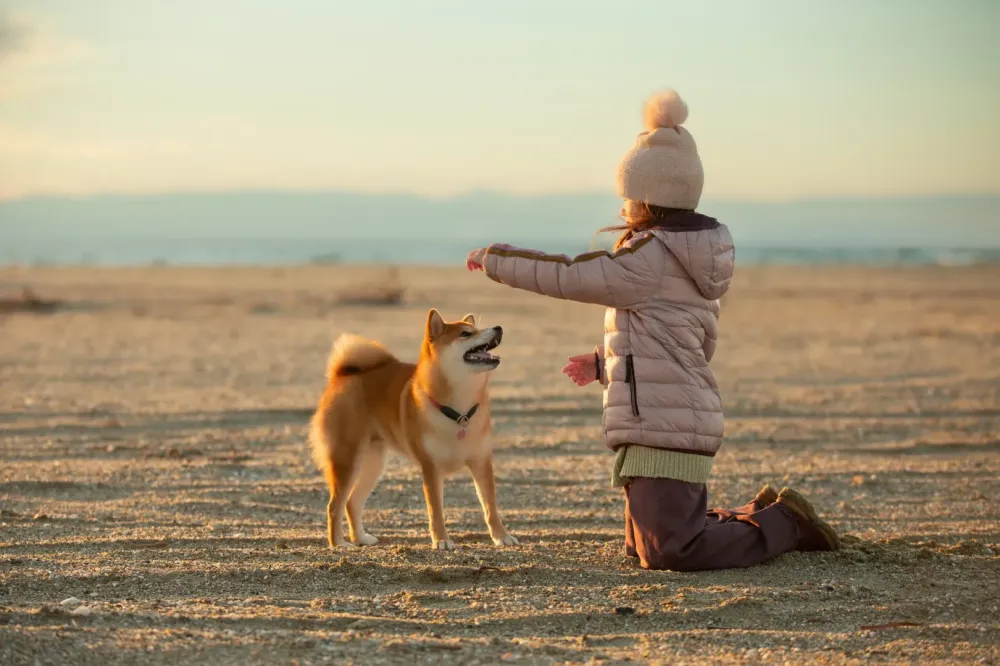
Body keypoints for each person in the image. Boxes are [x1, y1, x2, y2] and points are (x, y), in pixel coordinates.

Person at [465, 89, 839, 570]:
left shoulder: (648, 258)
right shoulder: (687, 259)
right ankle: (759, 512)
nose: (622, 206)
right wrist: (606, 364)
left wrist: (496, 258)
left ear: (646, 198)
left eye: (627, 195)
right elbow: (684, 344)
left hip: (665, 427)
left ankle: (785, 523)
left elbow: (569, 274)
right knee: (646, 548)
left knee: (672, 552)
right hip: (669, 418)